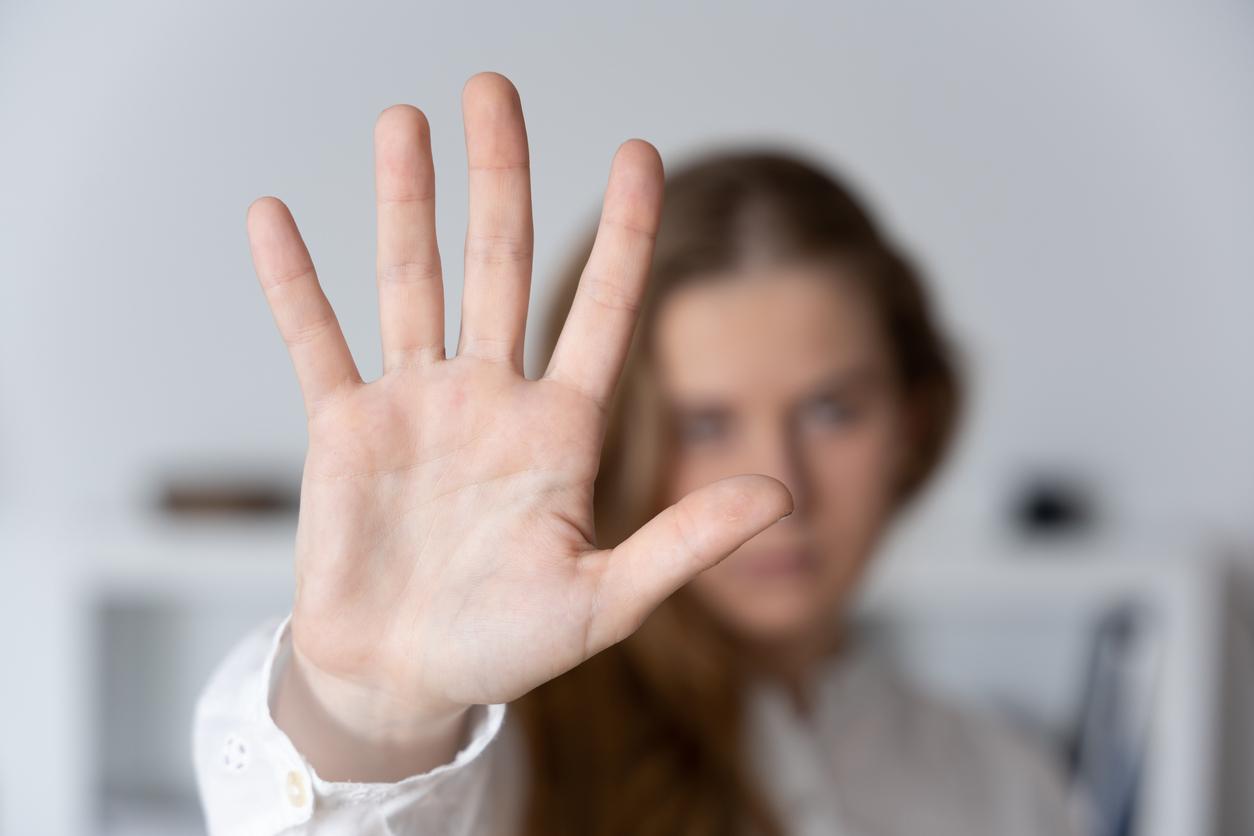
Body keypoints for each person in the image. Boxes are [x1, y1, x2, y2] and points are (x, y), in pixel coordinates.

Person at [193, 71, 1085, 835]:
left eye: (830, 410)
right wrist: (376, 712)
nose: (777, 489)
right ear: (620, 442)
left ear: (915, 420)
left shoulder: (1008, 784)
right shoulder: (501, 749)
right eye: (704, 423)